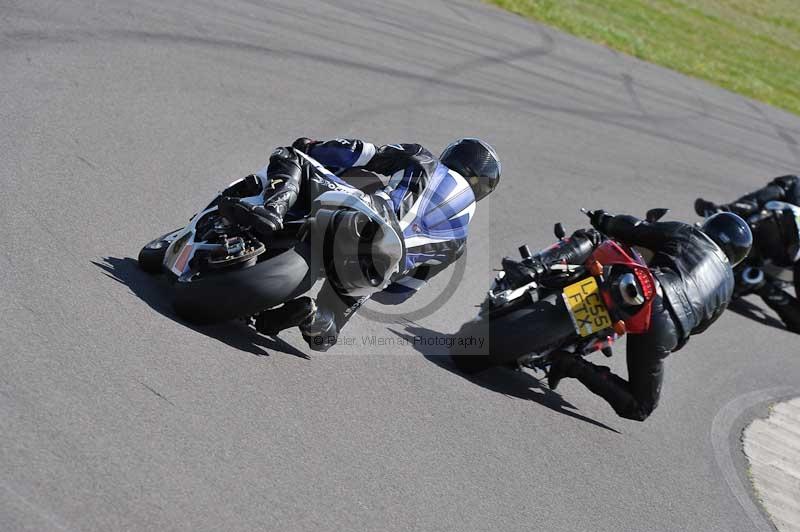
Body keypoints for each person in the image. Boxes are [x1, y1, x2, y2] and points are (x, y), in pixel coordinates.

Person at [219, 137, 501, 351]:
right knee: (326, 338)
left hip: (366, 218)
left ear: (454, 154)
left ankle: (273, 210)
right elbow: (399, 294)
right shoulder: (457, 243)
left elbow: (361, 152)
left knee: (292, 156)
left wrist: (314, 148)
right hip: (382, 268)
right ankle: (314, 316)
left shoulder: (423, 159)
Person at [545, 210, 752, 421]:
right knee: (640, 407)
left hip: (646, 289)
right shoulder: (728, 285)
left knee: (596, 239)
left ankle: (533, 268)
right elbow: (699, 327)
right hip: (667, 329)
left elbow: (636, 230)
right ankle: (571, 364)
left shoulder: (690, 234)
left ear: (711, 226)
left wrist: (603, 219)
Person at [695, 174, 800, 333]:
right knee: (793, 183)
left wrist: (765, 288)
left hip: (764, 268)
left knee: (713, 289)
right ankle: (726, 212)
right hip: (762, 226)